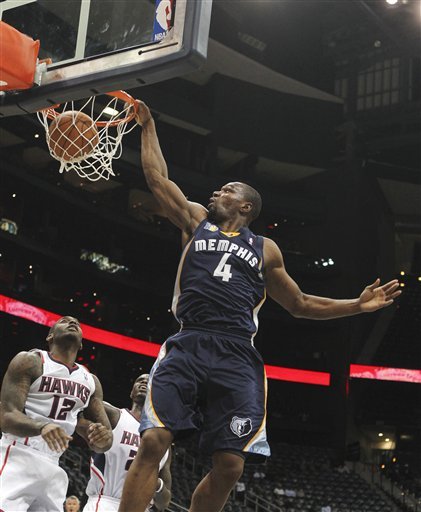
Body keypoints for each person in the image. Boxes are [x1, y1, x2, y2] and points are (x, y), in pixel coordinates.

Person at [119, 101, 401, 512]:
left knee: (231, 465)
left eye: (227, 190)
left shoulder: (265, 249)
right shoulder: (196, 221)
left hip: (237, 352)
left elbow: (302, 304)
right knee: (154, 441)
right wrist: (148, 126)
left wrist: (358, 306)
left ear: (245, 206)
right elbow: (156, 177)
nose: (217, 192)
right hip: (189, 341)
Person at [0, 316, 113, 512]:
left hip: (54, 463)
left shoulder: (90, 380)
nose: (72, 323)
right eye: (64, 321)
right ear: (50, 336)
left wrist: (99, 436)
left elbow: (105, 441)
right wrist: (41, 426)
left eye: (77, 323)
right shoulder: (30, 361)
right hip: (18, 455)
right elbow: (7, 417)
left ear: (82, 343)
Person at [83, 374, 171, 512]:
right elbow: (82, 404)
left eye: (149, 383)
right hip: (106, 503)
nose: (143, 383)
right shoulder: (113, 416)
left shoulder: (163, 442)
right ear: (131, 393)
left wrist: (158, 485)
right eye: (139, 381)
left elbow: (163, 503)